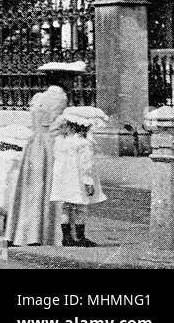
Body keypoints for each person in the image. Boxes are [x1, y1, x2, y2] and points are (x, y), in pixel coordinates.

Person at [6, 60, 86, 247]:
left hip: (34, 144)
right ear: (62, 80)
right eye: (71, 79)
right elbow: (57, 126)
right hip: (50, 144)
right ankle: (51, 233)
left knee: (33, 186)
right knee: (52, 185)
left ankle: (26, 232)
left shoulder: (38, 97)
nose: (73, 84)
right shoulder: (60, 98)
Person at [50, 106, 108, 247]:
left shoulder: (60, 140)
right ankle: (80, 236)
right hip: (77, 179)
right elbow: (86, 165)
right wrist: (88, 181)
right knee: (80, 206)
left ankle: (67, 237)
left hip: (63, 178)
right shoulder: (84, 143)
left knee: (66, 206)